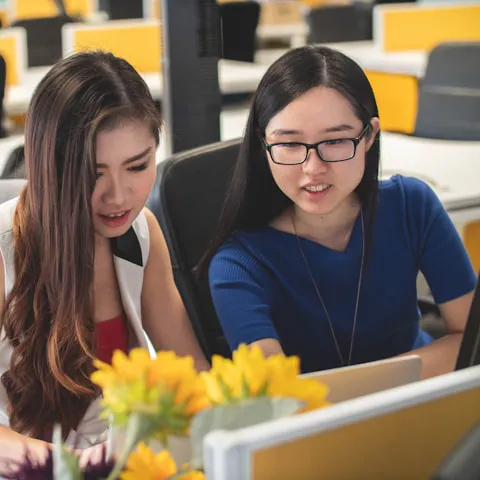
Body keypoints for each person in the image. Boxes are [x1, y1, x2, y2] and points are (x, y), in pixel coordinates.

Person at [203, 45, 476, 380]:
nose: (313, 168)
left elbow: (470, 340)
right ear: (264, 145)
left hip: (420, 403)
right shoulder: (239, 264)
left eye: (335, 142)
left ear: (369, 136)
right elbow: (276, 397)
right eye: (289, 144)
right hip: (320, 427)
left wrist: (364, 389)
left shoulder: (411, 207)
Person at [0, 51, 209, 467]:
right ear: (49, 165)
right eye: (93, 173)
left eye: (138, 166)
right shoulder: (5, 246)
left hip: (117, 464)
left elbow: (191, 376)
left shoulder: (141, 233)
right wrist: (73, 468)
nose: (118, 196)